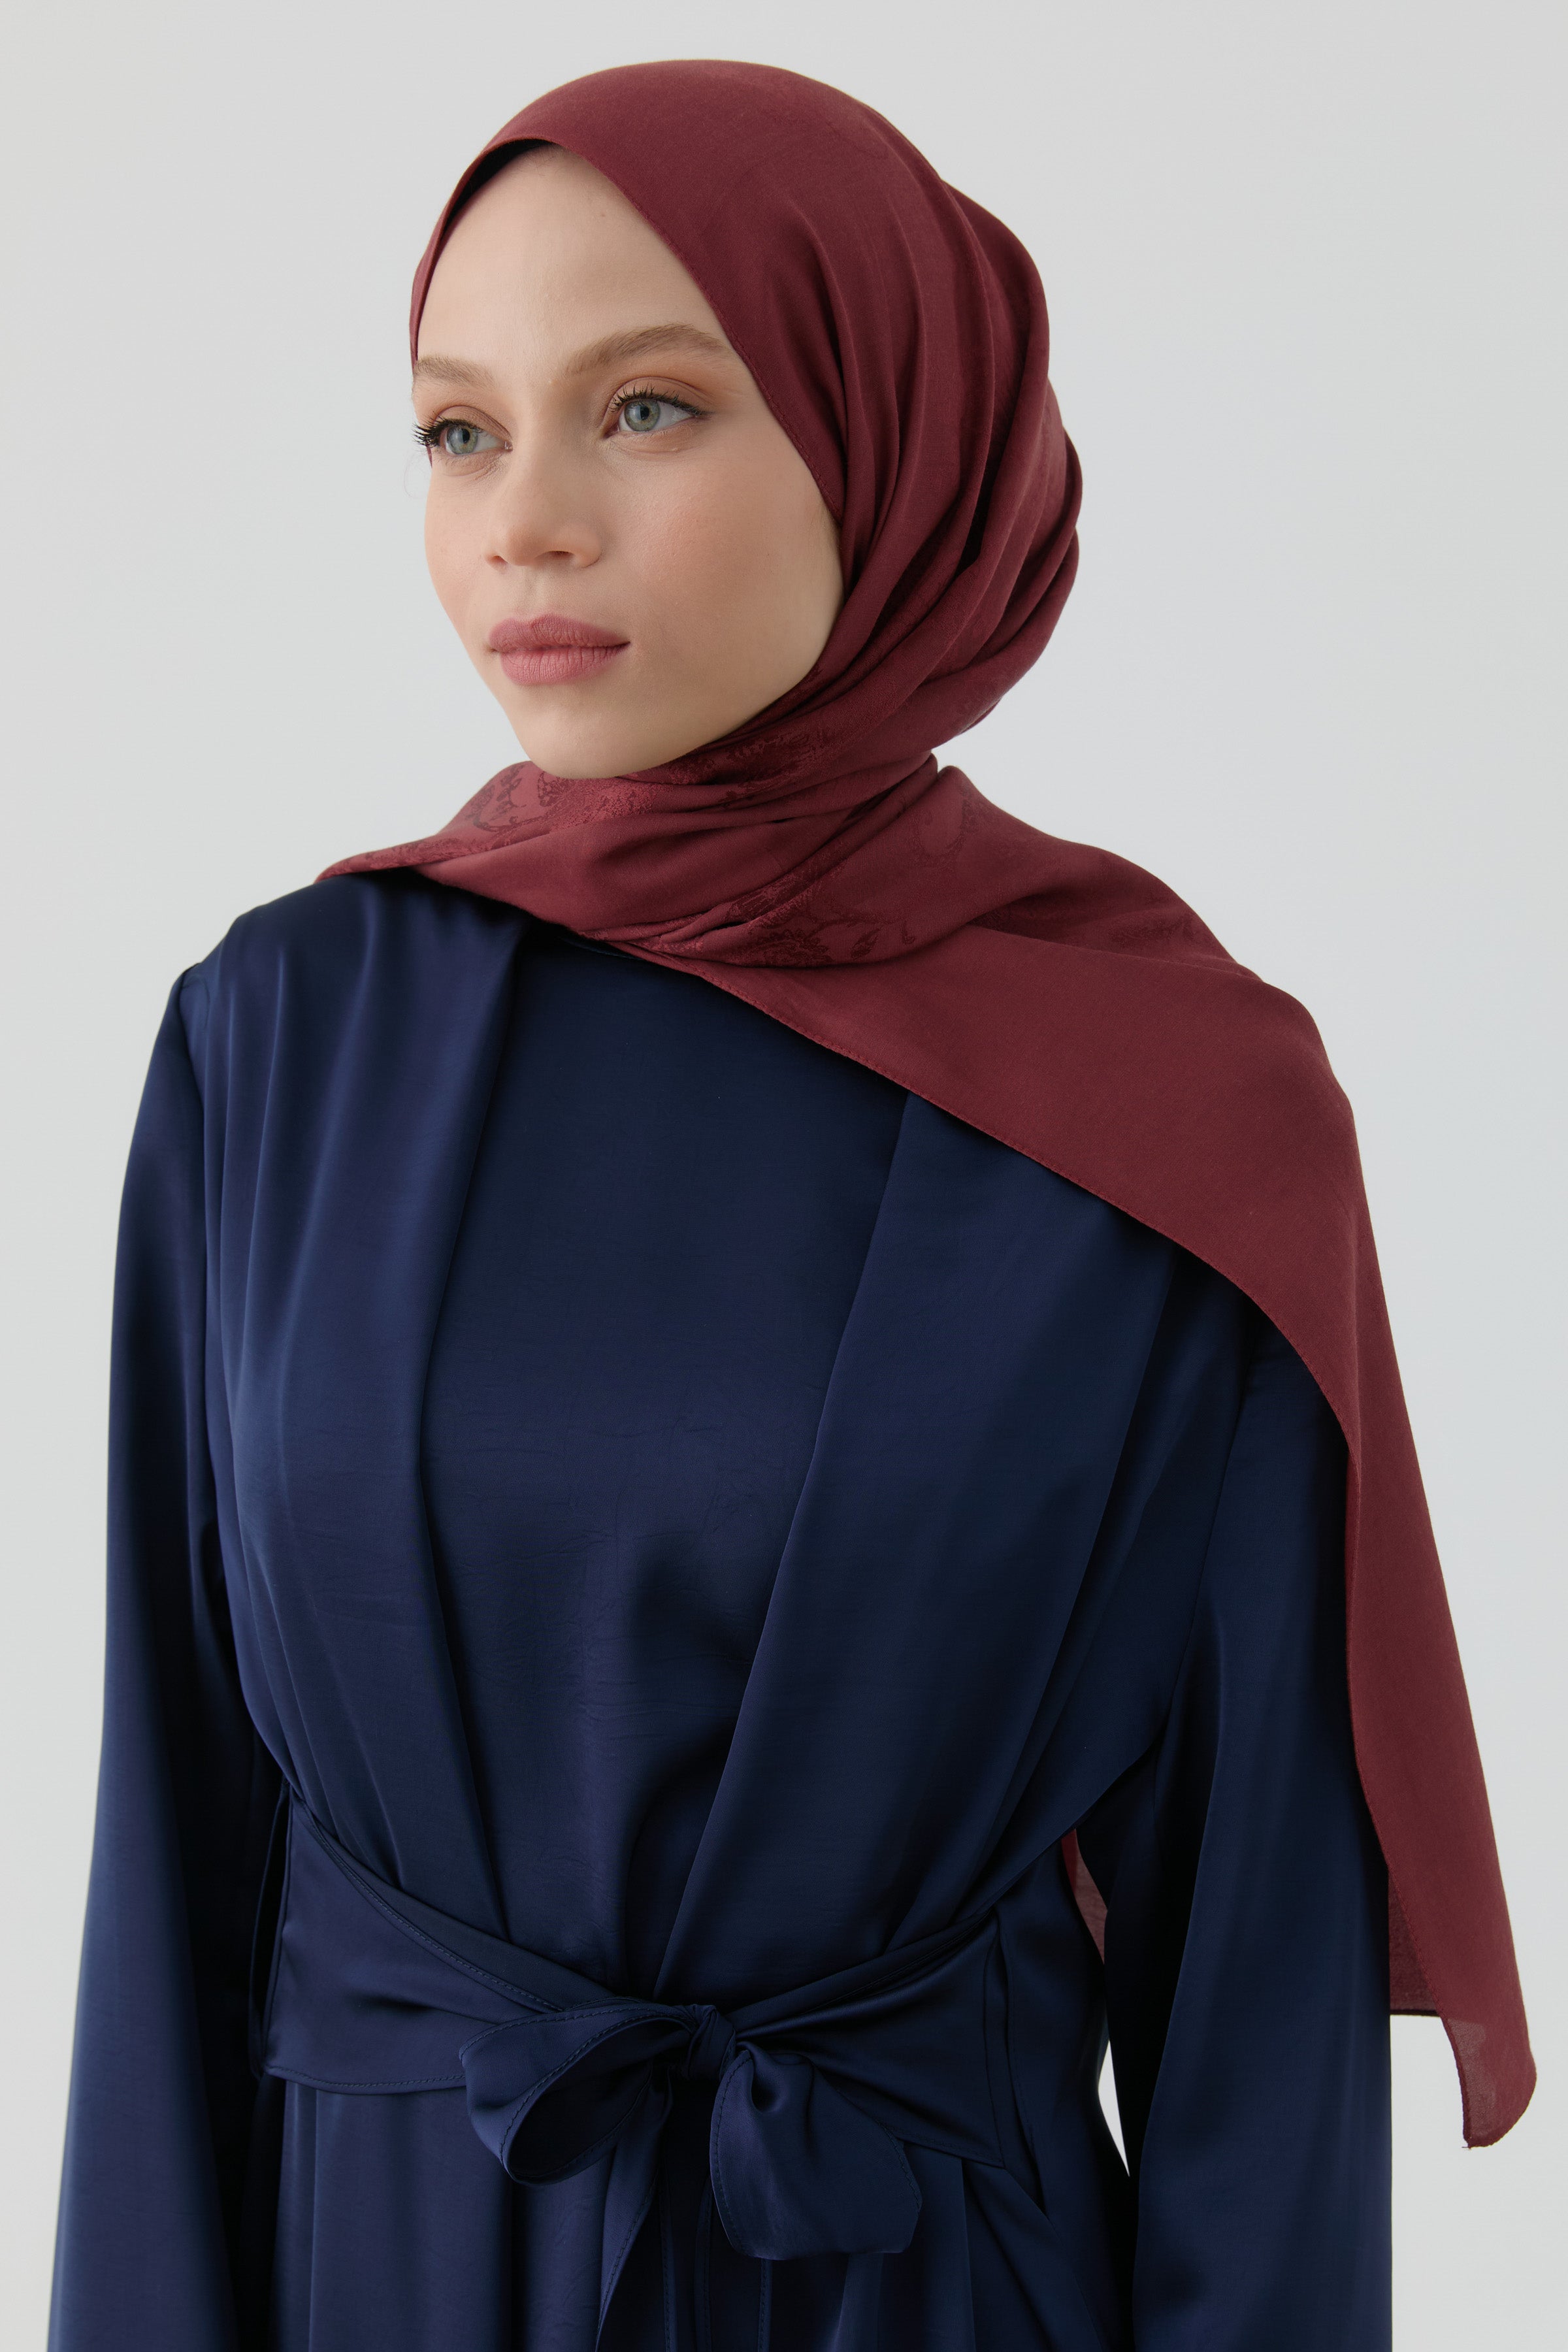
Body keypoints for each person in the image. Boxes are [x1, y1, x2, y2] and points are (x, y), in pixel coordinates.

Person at [48, 57, 1531, 2352]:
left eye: (646, 408)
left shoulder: (1177, 1112)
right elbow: (173, 1868)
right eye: (457, 432)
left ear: (893, 438)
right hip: (381, 2284)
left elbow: (1258, 2010)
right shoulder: (279, 1049)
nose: (527, 523)